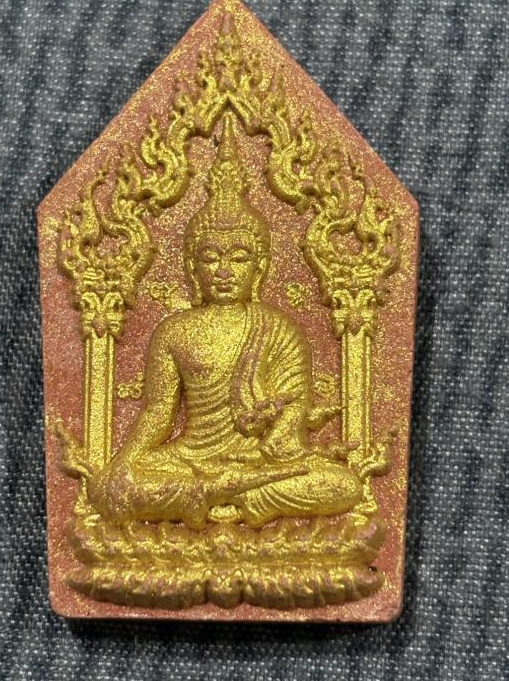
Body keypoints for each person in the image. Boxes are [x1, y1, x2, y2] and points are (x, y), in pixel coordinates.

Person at [89, 114, 362, 529]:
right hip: (191, 458)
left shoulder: (279, 329)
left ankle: (224, 493)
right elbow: (158, 412)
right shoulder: (174, 331)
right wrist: (124, 464)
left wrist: (272, 434)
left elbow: (293, 419)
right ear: (192, 266)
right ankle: (219, 492)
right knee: (109, 488)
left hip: (259, 463)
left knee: (343, 485)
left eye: (238, 258)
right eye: (210, 258)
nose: (223, 271)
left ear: (260, 266)